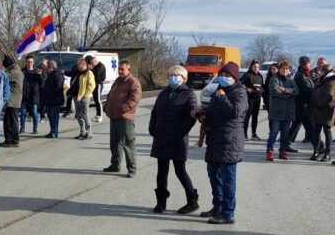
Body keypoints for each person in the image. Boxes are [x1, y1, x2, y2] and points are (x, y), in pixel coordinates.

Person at [193, 62, 247, 224]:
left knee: (228, 179)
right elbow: (214, 112)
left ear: (234, 78)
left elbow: (234, 112)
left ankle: (228, 213)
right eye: (221, 75)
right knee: (214, 176)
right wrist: (203, 116)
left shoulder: (239, 93)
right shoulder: (218, 91)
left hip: (230, 141)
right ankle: (217, 206)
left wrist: (223, 98)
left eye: (227, 76)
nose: (223, 78)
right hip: (215, 139)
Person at [149, 65, 199, 214]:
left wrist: (180, 133)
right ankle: (161, 202)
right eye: (170, 75)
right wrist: (153, 129)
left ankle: (192, 201)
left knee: (180, 171)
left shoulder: (188, 94)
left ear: (184, 79)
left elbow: (192, 116)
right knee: (161, 172)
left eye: (176, 75)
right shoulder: (163, 93)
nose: (172, 78)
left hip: (177, 139)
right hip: (161, 138)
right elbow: (155, 113)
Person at [103, 60, 142, 177]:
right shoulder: (117, 81)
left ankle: (132, 168)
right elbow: (110, 95)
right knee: (114, 144)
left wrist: (122, 108)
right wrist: (106, 107)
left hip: (125, 118)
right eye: (118, 69)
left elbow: (135, 99)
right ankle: (115, 165)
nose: (120, 71)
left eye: (122, 69)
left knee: (128, 144)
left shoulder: (133, 82)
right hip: (114, 117)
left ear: (128, 70)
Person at [266, 61, 298, 161]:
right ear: (279, 69)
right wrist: (289, 93)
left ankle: (282, 151)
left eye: (286, 69)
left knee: (285, 134)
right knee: (274, 132)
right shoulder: (274, 79)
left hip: (288, 112)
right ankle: (269, 151)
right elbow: (274, 91)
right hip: (277, 111)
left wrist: (284, 90)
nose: (285, 70)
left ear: (289, 70)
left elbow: (296, 91)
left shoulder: (291, 80)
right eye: (283, 68)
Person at [309, 64, 335, 161]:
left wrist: (319, 104)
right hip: (318, 111)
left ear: (326, 72)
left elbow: (330, 95)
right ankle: (316, 151)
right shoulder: (323, 81)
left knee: (327, 131)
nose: (319, 73)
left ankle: (327, 153)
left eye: (321, 71)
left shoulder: (332, 82)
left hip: (327, 111)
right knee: (316, 132)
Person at [289, 57, 315, 145]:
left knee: (296, 124)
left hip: (301, 104)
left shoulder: (305, 74)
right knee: (310, 127)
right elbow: (309, 89)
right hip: (302, 105)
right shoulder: (301, 75)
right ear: (304, 64)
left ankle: (286, 143)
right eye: (309, 63)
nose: (310, 65)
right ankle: (319, 146)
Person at [1, 55, 24, 147]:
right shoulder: (14, 70)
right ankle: (9, 139)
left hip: (14, 101)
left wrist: (0, 70)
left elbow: (3, 77)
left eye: (5, 67)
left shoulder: (15, 72)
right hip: (12, 100)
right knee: (8, 120)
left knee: (12, 121)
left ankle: (14, 140)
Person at [73, 57, 96, 141]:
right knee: (78, 115)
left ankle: (89, 133)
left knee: (85, 115)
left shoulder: (89, 73)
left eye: (78, 64)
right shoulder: (79, 72)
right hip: (77, 96)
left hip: (84, 97)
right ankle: (83, 132)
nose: (77, 66)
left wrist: (86, 95)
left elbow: (92, 85)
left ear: (83, 64)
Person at [241, 60, 264, 141]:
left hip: (257, 98)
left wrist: (261, 91)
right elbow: (240, 84)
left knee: (255, 116)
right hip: (249, 98)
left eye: (257, 67)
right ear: (251, 67)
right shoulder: (247, 75)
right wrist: (247, 89)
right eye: (254, 67)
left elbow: (262, 87)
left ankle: (253, 134)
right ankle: (244, 134)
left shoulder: (260, 76)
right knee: (247, 116)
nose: (256, 68)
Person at [41, 60, 65, 138]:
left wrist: (57, 98)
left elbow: (58, 87)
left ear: (51, 67)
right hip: (49, 99)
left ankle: (54, 132)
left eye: (47, 67)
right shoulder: (51, 74)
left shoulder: (57, 74)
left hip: (54, 99)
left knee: (54, 116)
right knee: (50, 116)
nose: (46, 69)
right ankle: (52, 131)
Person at [20, 56, 43, 135]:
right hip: (24, 95)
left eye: (31, 62)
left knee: (34, 113)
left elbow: (41, 84)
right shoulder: (22, 71)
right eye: (28, 62)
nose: (29, 63)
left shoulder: (37, 71)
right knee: (23, 112)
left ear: (33, 63)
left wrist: (40, 76)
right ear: (26, 62)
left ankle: (35, 128)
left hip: (33, 96)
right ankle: (22, 128)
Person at [88, 55, 107, 122]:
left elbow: (97, 75)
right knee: (96, 100)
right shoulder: (95, 66)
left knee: (98, 100)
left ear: (95, 61)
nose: (91, 64)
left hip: (98, 84)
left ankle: (100, 116)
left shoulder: (100, 66)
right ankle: (97, 115)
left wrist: (91, 69)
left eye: (92, 63)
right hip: (94, 85)